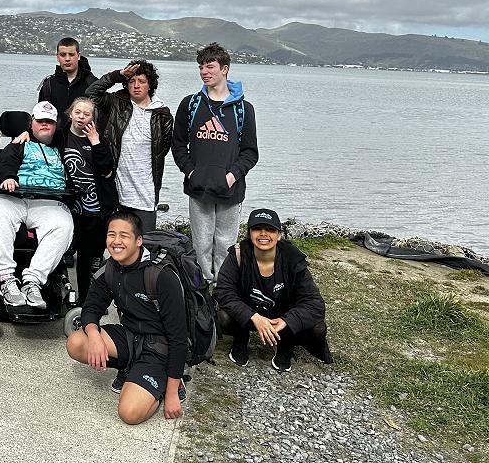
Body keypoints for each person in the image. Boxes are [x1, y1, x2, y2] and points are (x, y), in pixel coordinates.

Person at [66, 211, 187, 425]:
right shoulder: (111, 268)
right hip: (130, 337)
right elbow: (91, 307)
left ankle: (165, 383)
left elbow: (178, 338)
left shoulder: (161, 275)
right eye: (111, 235)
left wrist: (171, 394)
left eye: (124, 236)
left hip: (158, 347)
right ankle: (130, 368)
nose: (116, 241)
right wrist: (94, 335)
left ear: (139, 241)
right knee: (76, 342)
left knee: (129, 413)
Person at [171, 42, 258, 282]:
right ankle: (202, 288)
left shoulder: (243, 109)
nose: (204, 72)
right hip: (198, 188)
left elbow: (250, 152)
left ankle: (223, 287)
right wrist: (191, 173)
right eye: (201, 67)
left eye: (210, 66)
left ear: (225, 69)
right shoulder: (190, 104)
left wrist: (231, 177)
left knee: (225, 243)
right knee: (201, 243)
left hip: (230, 190)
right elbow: (178, 145)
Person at [215, 208, 332, 372]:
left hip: (282, 318)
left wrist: (286, 321)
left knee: (318, 329)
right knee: (221, 316)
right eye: (257, 229)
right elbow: (223, 292)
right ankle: (241, 338)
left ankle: (285, 341)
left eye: (270, 229)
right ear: (249, 234)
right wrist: (253, 317)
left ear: (279, 235)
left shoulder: (293, 258)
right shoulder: (238, 255)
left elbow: (315, 304)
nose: (263, 234)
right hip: (249, 316)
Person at [0, 100, 73, 309]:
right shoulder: (19, 144)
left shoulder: (63, 146)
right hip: (13, 197)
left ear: (56, 125)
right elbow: (4, 164)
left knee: (64, 225)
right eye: (40, 121)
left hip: (48, 202)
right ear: (32, 123)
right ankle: (6, 279)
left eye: (49, 122)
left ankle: (32, 281)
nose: (45, 125)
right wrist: (7, 177)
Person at [86, 59, 173, 233]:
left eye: (142, 81)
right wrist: (117, 75)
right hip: (116, 193)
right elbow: (90, 94)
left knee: (145, 243)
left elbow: (162, 150)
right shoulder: (115, 103)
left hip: (146, 194)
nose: (136, 85)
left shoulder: (162, 114)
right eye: (132, 81)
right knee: (117, 242)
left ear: (150, 85)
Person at [59, 97, 118, 304]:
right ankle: (60, 293)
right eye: (78, 112)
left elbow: (107, 170)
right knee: (63, 249)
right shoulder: (61, 136)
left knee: (89, 256)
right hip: (71, 205)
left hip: (95, 208)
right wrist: (25, 133)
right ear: (70, 114)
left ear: (93, 118)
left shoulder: (99, 139)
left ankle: (86, 300)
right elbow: (41, 132)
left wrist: (95, 142)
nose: (81, 117)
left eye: (86, 114)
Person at [38, 36, 97, 118]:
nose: (67, 59)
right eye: (63, 55)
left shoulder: (92, 83)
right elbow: (41, 116)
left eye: (71, 54)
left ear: (78, 56)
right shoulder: (49, 85)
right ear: (57, 57)